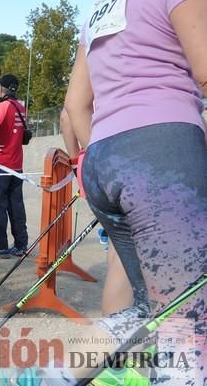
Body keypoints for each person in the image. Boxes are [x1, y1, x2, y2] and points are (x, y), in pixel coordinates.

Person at [5, 0, 207, 384]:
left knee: (150, 305)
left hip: (104, 162)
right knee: (188, 321)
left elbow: (76, 104)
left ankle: (54, 375)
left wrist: (101, 162)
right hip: (162, 156)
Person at [60, 108, 135, 316]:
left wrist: (77, 161)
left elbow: (67, 116)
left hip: (90, 161)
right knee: (127, 244)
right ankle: (123, 316)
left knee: (118, 238)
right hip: (128, 156)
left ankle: (116, 321)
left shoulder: (96, 76)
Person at [0, 74, 29, 259]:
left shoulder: (2, 106)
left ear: (2, 88)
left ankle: (1, 247)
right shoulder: (21, 107)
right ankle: (21, 245)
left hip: (2, 165)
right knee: (16, 206)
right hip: (17, 165)